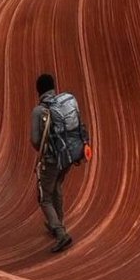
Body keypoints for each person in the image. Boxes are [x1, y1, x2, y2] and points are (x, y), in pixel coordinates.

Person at [31, 72, 91, 254]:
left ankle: (60, 233)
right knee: (56, 185)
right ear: (53, 87)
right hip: (70, 156)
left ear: (38, 91)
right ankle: (57, 222)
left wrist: (45, 151)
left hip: (52, 158)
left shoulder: (39, 111)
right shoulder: (64, 102)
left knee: (44, 196)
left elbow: (35, 140)